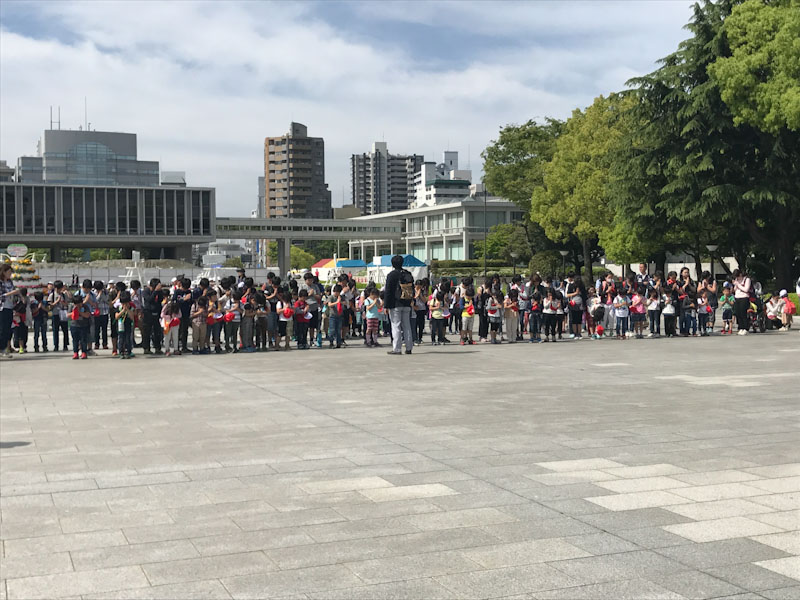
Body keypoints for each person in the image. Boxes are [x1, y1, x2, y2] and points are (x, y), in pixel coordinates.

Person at [383, 255, 414, 355]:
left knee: (396, 326)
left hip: (395, 303)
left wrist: (386, 305)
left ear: (392, 264)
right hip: (407, 302)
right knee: (407, 326)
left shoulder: (392, 275)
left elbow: (388, 291)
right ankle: (409, 347)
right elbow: (412, 288)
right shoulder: (407, 273)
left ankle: (397, 348)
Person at [141, 278, 165, 354]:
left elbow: (160, 300)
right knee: (147, 332)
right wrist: (155, 292)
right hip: (148, 313)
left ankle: (157, 348)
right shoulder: (146, 291)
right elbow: (149, 299)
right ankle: (146, 348)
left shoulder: (159, 292)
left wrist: (159, 292)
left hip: (156, 313)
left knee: (157, 331)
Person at [47, 280, 70, 352]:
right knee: (55, 330)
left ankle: (65, 345)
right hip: (55, 314)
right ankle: (56, 345)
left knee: (65, 330)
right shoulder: (52, 295)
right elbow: (50, 306)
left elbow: (67, 304)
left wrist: (62, 302)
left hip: (63, 313)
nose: (58, 290)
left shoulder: (64, 295)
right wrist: (57, 301)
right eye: (57, 288)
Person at [69, 292, 91, 359]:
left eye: (79, 303)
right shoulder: (71, 306)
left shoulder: (85, 306)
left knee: (83, 340)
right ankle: (75, 352)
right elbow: (68, 315)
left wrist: (79, 312)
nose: (78, 305)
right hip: (74, 325)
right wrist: (74, 312)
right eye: (76, 304)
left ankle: (84, 352)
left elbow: (87, 315)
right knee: (75, 340)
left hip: (83, 325)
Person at [115, 291, 135, 359]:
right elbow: (116, 316)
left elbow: (132, 317)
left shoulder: (131, 308)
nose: (125, 305)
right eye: (123, 303)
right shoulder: (119, 308)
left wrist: (127, 310)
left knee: (128, 338)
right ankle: (121, 351)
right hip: (120, 325)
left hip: (128, 324)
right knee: (121, 338)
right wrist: (123, 310)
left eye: (126, 303)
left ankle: (128, 351)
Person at [732, 269, 752, 335]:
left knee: (743, 313)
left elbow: (746, 289)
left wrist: (738, 284)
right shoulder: (737, 280)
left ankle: (745, 328)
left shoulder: (747, 280)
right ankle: (740, 327)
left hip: (744, 297)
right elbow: (735, 290)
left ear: (741, 274)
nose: (737, 278)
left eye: (738, 276)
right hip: (737, 297)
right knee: (738, 313)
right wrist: (735, 284)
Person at [93, 280, 110, 350]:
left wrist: (101, 294)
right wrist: (99, 294)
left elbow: (106, 299)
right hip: (97, 313)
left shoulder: (106, 292)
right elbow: (95, 301)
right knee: (96, 330)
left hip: (105, 313)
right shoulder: (93, 292)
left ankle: (105, 343)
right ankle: (97, 344)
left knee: (104, 329)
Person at [326, 284, 343, 349]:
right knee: (332, 330)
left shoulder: (341, 297)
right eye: (335, 292)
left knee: (338, 330)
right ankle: (331, 342)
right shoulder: (331, 297)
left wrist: (341, 302)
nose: (336, 293)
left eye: (338, 292)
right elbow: (329, 304)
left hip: (339, 315)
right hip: (332, 316)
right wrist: (337, 302)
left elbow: (346, 303)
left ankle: (338, 342)